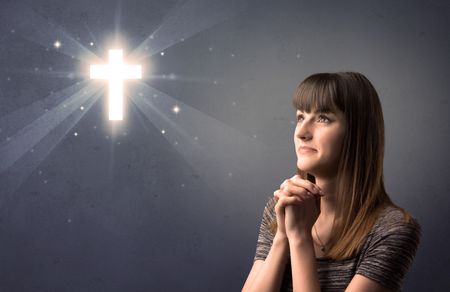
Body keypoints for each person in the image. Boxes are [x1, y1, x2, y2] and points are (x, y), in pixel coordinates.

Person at [242, 72, 421, 292]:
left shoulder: (392, 229)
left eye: (323, 118)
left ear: (357, 132)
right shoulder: (281, 207)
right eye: (300, 117)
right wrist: (282, 236)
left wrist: (299, 238)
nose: (302, 132)